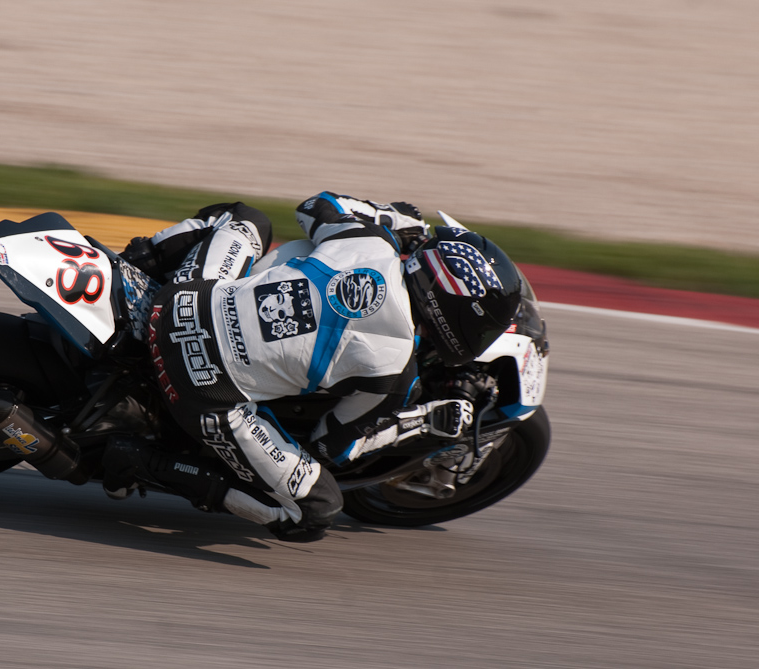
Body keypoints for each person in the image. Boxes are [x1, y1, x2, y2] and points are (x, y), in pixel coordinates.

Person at [103, 192, 522, 541]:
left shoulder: (370, 241)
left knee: (244, 218)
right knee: (317, 510)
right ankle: (145, 464)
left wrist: (392, 220)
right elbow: (328, 449)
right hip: (203, 389)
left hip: (181, 300)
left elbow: (316, 205)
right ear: (456, 321)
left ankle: (122, 270)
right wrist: (422, 421)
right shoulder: (396, 373)